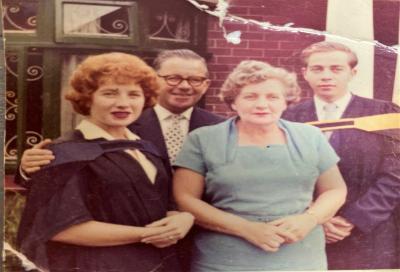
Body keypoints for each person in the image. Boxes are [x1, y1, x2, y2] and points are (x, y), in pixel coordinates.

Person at [16, 49, 224, 271]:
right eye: (110, 93)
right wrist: (146, 234)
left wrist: (182, 218)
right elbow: (60, 228)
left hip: (159, 261)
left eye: (133, 94)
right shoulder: (66, 153)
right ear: (87, 98)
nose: (123, 103)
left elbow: (166, 202)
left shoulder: (146, 149)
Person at [173, 60, 347, 271]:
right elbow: (185, 198)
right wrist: (246, 229)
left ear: (286, 102)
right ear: (233, 102)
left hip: (299, 252)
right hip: (225, 257)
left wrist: (309, 220)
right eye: (250, 96)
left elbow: (335, 189)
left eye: (273, 97)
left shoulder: (310, 136)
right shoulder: (203, 139)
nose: (262, 105)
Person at [282, 41, 400, 269]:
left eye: (336, 69)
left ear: (352, 72)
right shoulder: (288, 117)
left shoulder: (383, 113)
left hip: (369, 231)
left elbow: (395, 175)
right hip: (304, 229)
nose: (326, 76)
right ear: (304, 73)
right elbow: (281, 177)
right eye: (317, 69)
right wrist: (316, 218)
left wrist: (353, 219)